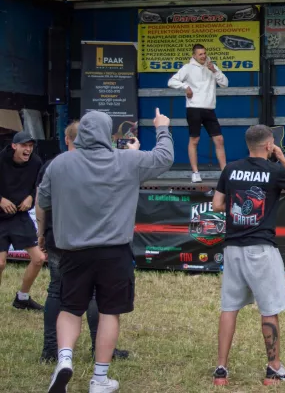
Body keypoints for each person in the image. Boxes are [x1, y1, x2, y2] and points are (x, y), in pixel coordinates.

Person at [37, 109, 173, 393]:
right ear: (108, 134)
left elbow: (44, 200)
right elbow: (164, 158)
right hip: (115, 251)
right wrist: (162, 127)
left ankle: (64, 360)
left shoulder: (59, 163)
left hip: (73, 251)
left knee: (69, 309)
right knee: (109, 312)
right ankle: (100, 378)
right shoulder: (128, 160)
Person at [210, 125, 285, 387]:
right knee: (269, 309)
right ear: (269, 145)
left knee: (229, 308)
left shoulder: (230, 169)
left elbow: (217, 204)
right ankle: (273, 369)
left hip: (232, 247)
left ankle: (221, 371)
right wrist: (282, 157)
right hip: (262, 249)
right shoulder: (275, 170)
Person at [36, 121, 129, 363]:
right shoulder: (103, 164)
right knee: (97, 295)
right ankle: (101, 350)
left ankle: (51, 350)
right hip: (92, 239)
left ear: (68, 139)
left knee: (57, 292)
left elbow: (41, 202)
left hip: (59, 238)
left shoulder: (54, 165)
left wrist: (41, 232)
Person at [168, 43, 229, 183]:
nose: (203, 56)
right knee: (194, 140)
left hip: (209, 109)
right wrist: (185, 87)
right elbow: (171, 81)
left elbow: (225, 84)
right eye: (200, 54)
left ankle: (224, 172)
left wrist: (214, 71)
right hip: (194, 108)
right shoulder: (188, 68)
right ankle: (195, 173)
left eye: (204, 53)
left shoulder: (211, 67)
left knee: (219, 140)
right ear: (194, 56)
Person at [0, 130, 45, 310]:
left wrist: (30, 197)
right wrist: (1, 200)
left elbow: (39, 187)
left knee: (39, 258)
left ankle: (22, 298)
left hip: (19, 216)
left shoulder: (36, 162)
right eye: (24, 146)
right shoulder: (1, 159)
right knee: (0, 263)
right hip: (0, 218)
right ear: (14, 146)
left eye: (30, 146)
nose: (28, 149)